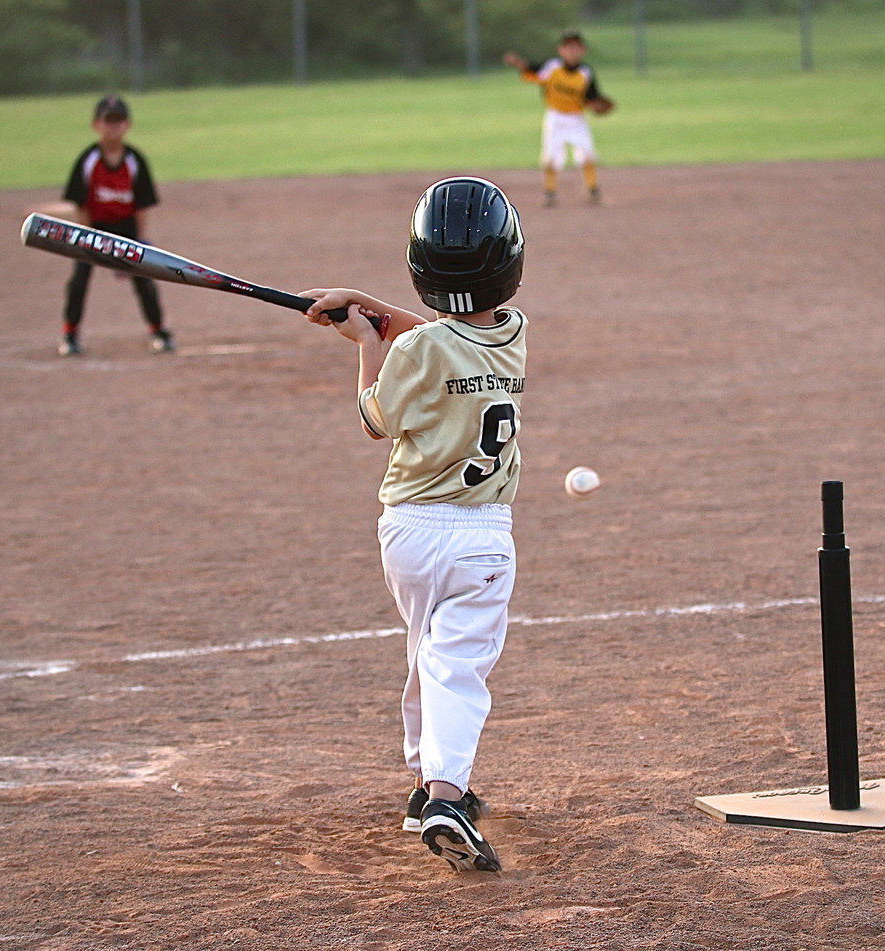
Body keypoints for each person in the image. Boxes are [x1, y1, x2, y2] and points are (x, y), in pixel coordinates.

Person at [302, 177, 527, 874]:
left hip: (406, 531)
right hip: (479, 534)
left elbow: (374, 416)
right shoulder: (516, 336)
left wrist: (366, 342)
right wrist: (376, 322)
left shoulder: (415, 351)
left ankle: (424, 784)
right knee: (457, 664)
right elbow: (447, 338)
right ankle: (445, 796)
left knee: (426, 654)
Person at [57, 94, 172, 356]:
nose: (113, 127)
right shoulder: (88, 160)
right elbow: (81, 204)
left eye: (118, 121)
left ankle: (159, 330)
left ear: (127, 125)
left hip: (126, 228)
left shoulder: (134, 160)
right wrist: (86, 238)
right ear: (96, 125)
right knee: (79, 280)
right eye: (108, 121)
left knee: (145, 278)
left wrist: (140, 242)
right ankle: (70, 333)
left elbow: (142, 204)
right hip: (94, 229)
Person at [503, 31, 614, 207]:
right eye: (568, 47)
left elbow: (591, 98)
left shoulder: (586, 73)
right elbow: (531, 69)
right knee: (551, 157)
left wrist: (597, 105)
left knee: (587, 153)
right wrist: (516, 62)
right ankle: (550, 192)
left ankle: (592, 188)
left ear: (583, 50)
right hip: (555, 117)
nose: (572, 51)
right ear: (560, 50)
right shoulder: (552, 67)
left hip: (577, 119)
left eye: (576, 47)